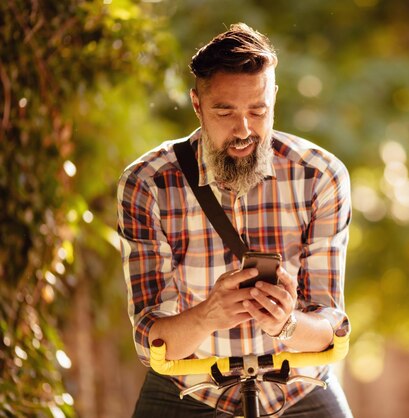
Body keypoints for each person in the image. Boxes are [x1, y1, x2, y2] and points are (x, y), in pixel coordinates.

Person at [116, 23, 353, 417]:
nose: (244, 130)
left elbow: (332, 325)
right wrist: (209, 314)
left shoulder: (321, 176)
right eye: (224, 111)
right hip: (189, 390)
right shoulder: (147, 184)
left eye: (258, 111)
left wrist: (286, 325)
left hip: (297, 387)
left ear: (274, 98)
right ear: (197, 104)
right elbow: (150, 339)